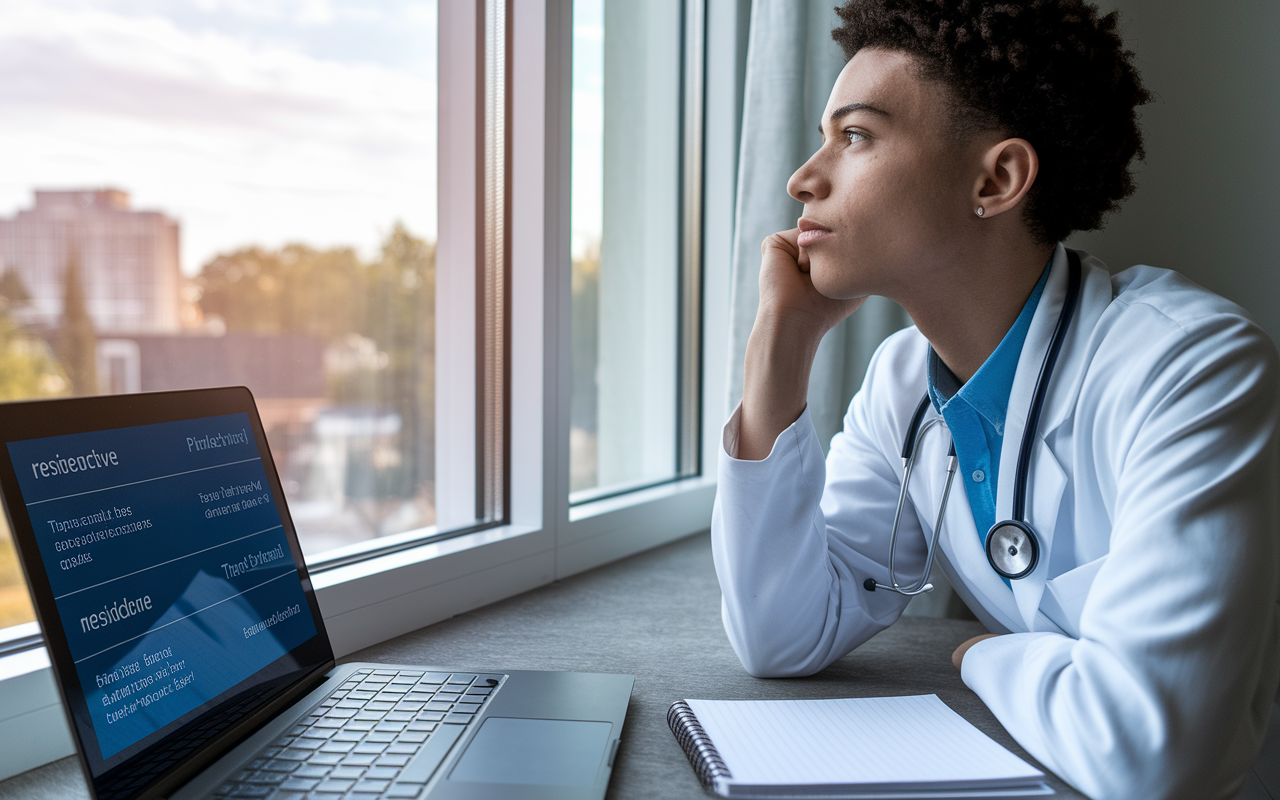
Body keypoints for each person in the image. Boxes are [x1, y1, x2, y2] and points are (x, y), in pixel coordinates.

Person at [711, 1, 1280, 797]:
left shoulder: (1191, 367)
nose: (803, 178)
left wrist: (987, 652)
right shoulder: (902, 381)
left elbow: (1154, 754)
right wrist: (782, 349)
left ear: (997, 178)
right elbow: (780, 636)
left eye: (855, 136)